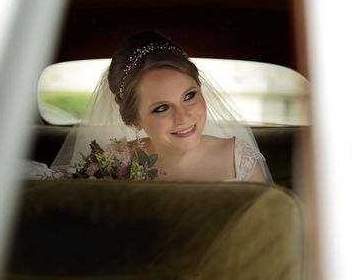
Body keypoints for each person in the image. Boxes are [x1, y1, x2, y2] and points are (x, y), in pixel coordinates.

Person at [51, 31, 271, 183]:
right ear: (135, 119)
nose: (183, 116)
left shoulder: (239, 157)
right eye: (161, 108)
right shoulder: (113, 163)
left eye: (190, 95)